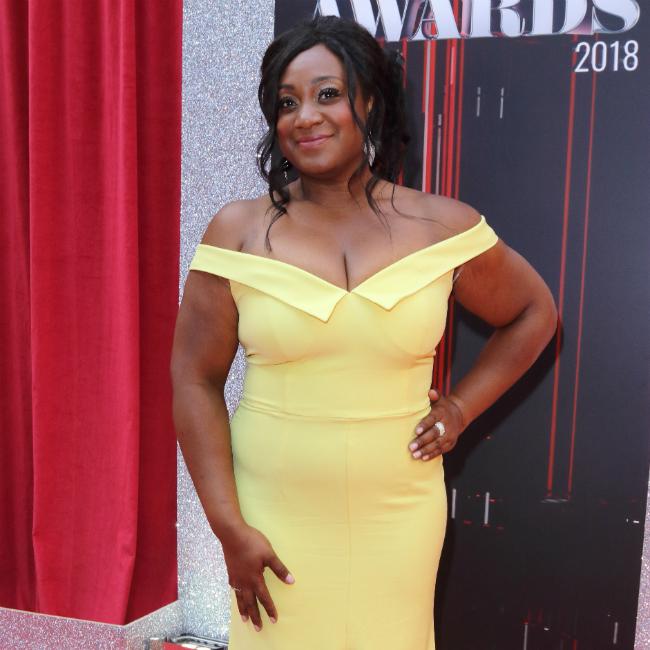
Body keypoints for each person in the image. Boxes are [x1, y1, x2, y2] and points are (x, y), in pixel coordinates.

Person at [170, 15, 557, 650]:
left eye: (327, 94)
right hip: (273, 511)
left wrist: (459, 408)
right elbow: (194, 380)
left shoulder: (441, 227)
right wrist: (227, 526)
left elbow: (533, 312)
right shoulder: (237, 231)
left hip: (399, 511)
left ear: (368, 102)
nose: (305, 117)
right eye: (287, 103)